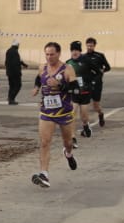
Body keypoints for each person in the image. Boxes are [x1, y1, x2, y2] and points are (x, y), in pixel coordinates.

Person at [30, 43, 80, 188]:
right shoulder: (42, 67)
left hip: (64, 112)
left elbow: (75, 88)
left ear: (58, 54)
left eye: (52, 54)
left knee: (68, 143)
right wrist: (36, 88)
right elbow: (39, 78)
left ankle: (68, 154)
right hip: (47, 112)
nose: (49, 57)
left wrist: (59, 85)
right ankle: (44, 174)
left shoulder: (67, 69)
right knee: (45, 142)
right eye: (46, 54)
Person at [66, 41, 96, 138]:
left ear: (80, 51)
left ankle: (85, 126)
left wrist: (92, 82)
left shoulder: (86, 61)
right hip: (74, 93)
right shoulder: (68, 63)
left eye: (77, 50)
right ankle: (72, 137)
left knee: (84, 116)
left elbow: (97, 72)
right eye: (73, 50)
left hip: (85, 92)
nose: (74, 52)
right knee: (72, 113)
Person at [82, 37, 113, 127]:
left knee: (96, 105)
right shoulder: (83, 57)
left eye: (91, 46)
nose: (89, 47)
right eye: (88, 46)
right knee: (85, 105)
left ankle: (100, 114)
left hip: (97, 83)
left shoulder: (100, 56)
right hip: (86, 84)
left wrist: (102, 71)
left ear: (94, 46)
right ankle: (86, 125)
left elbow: (108, 67)